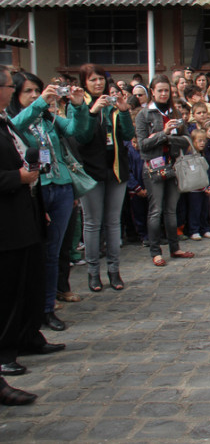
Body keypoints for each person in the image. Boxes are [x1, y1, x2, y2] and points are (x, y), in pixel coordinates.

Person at [8, 71, 91, 330]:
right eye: (28, 92)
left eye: (37, 91)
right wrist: (41, 102)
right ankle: (31, 308)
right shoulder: (12, 120)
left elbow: (77, 130)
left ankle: (47, 307)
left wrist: (78, 106)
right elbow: (18, 125)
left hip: (61, 186)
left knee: (54, 250)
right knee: (36, 251)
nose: (34, 96)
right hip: (36, 190)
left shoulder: (48, 118)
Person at [0, 66, 64, 401]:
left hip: (27, 213)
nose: (11, 92)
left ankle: (28, 335)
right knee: (9, 288)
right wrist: (20, 179)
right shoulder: (13, 118)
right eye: (11, 87)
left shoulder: (5, 122)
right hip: (7, 221)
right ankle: (6, 355)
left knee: (30, 279)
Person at [74, 64, 135, 293]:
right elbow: (81, 136)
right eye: (92, 80)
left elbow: (128, 135)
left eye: (100, 79)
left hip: (116, 169)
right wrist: (91, 112)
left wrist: (124, 110)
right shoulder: (79, 103)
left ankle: (114, 270)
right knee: (92, 223)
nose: (98, 83)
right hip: (91, 170)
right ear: (84, 83)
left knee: (113, 222)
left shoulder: (113, 104)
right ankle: (92, 272)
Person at [134, 74, 195, 267]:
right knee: (156, 210)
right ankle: (155, 252)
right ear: (152, 92)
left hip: (175, 165)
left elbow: (187, 140)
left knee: (171, 210)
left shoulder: (175, 112)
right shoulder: (144, 115)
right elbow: (143, 145)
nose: (163, 93)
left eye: (166, 90)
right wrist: (164, 134)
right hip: (154, 168)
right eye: (159, 90)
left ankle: (174, 248)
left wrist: (168, 138)